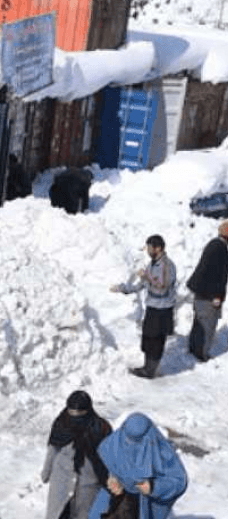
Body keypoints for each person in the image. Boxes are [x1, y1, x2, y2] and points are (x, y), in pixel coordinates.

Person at [88, 413, 186, 519]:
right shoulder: (114, 442)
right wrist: (111, 478)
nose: (130, 443)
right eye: (128, 437)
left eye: (137, 440)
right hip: (115, 501)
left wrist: (153, 487)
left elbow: (178, 482)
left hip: (147, 504)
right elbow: (104, 464)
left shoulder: (162, 452)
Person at [110, 235, 177, 379]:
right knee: (148, 338)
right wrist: (122, 288)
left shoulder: (167, 265)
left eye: (149, 247)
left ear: (158, 248)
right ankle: (148, 367)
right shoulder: (152, 264)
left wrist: (147, 276)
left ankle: (150, 371)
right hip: (153, 308)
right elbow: (141, 285)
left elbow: (162, 287)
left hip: (162, 310)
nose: (147, 250)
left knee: (156, 341)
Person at [41, 390, 113, 519]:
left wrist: (110, 479)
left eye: (79, 413)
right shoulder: (62, 423)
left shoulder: (101, 428)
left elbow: (110, 457)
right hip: (61, 481)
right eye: (72, 412)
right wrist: (46, 472)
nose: (75, 416)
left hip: (88, 484)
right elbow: (53, 448)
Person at [185, 220, 228, 361]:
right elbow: (218, 275)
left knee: (199, 322)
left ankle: (193, 348)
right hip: (210, 295)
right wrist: (217, 296)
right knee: (208, 325)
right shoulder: (220, 248)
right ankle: (202, 353)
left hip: (201, 292)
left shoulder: (214, 244)